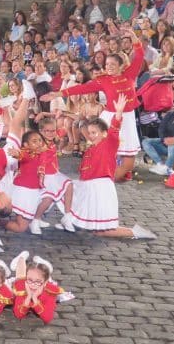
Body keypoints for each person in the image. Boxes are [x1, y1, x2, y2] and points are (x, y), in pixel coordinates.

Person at [42, 25, 142, 181]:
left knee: (127, 152)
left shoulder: (130, 74)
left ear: (121, 66)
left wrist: (134, 39)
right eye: (107, 64)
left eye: (112, 65)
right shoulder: (103, 80)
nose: (108, 67)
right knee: (104, 145)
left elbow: (140, 55)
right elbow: (81, 88)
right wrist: (59, 93)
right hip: (110, 115)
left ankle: (119, 172)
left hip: (127, 117)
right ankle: (105, 173)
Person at [69, 94, 156, 239]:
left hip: (102, 189)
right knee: (91, 225)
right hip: (90, 189)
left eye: (94, 132)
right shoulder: (90, 149)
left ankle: (136, 232)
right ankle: (67, 219)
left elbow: (114, 129)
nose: (91, 136)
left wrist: (119, 113)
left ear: (104, 133)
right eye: (89, 133)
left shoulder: (108, 144)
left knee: (103, 230)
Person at [11, 253, 64, 324]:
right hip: (27, 278)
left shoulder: (49, 293)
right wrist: (28, 297)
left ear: (45, 283)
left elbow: (48, 318)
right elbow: (18, 315)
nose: (33, 285)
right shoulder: (22, 287)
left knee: (47, 271)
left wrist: (35, 299)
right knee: (19, 277)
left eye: (37, 282)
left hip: (45, 282)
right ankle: (21, 257)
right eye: (29, 280)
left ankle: (42, 263)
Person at [141, 97, 174, 176]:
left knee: (172, 142)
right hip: (165, 143)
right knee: (145, 141)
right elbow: (161, 128)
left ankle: (167, 168)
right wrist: (164, 139)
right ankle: (160, 164)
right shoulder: (171, 114)